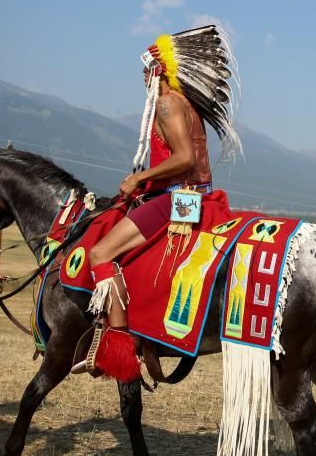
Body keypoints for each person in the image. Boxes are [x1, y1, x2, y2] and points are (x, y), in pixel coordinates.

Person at [73, 24, 239, 376]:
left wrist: (139, 178)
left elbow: (184, 160)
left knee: (100, 253)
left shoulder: (166, 104)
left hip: (178, 200)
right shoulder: (187, 105)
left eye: (145, 71)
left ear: (157, 71)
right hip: (194, 198)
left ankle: (118, 347)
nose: (142, 78)